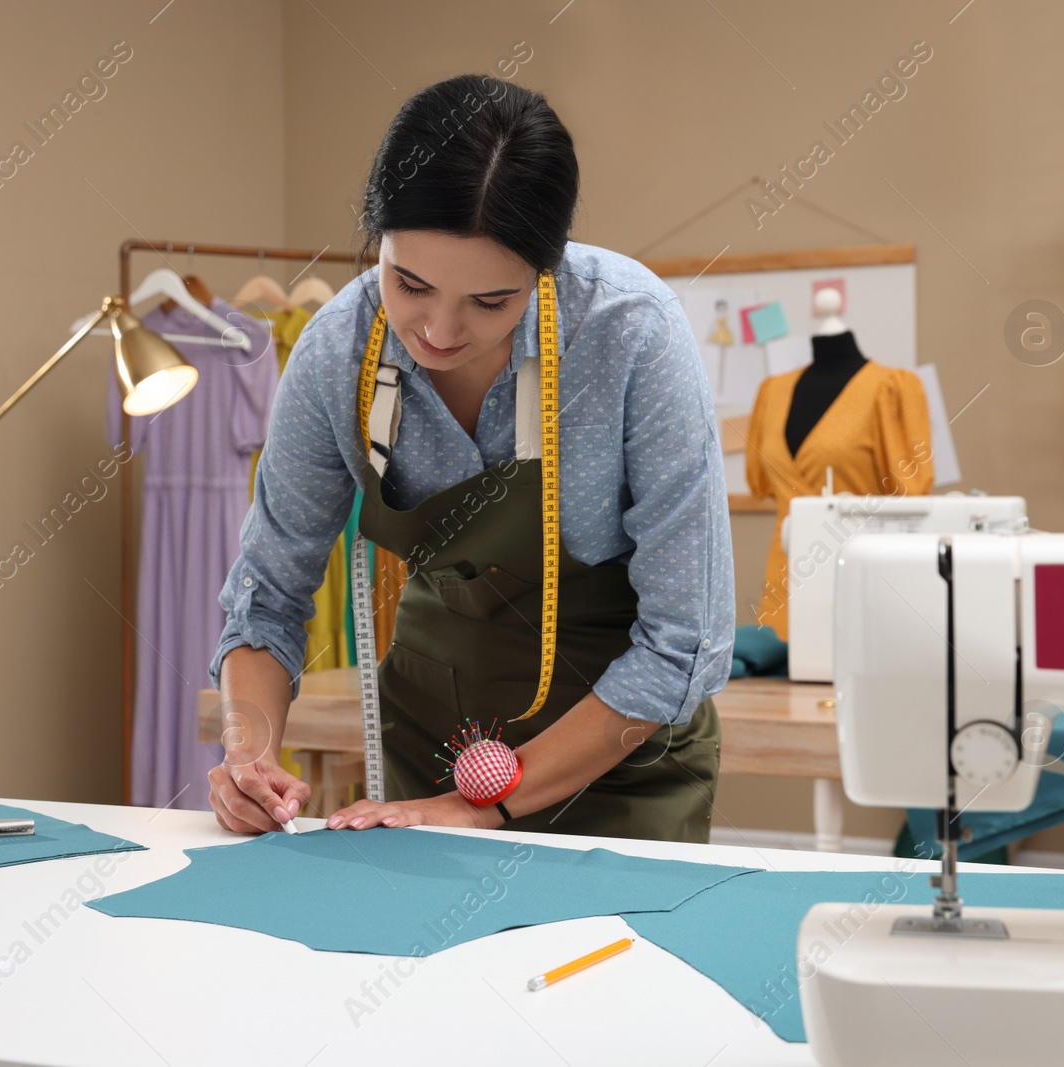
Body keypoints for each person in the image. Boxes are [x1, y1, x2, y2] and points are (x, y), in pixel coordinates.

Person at [206, 73, 733, 843]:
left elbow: (685, 642)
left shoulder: (629, 333)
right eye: (408, 283)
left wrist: (479, 806)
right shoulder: (336, 351)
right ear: (375, 238)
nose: (441, 331)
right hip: (432, 753)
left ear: (545, 270)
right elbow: (267, 597)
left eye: (492, 301)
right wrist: (249, 755)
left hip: (623, 763)